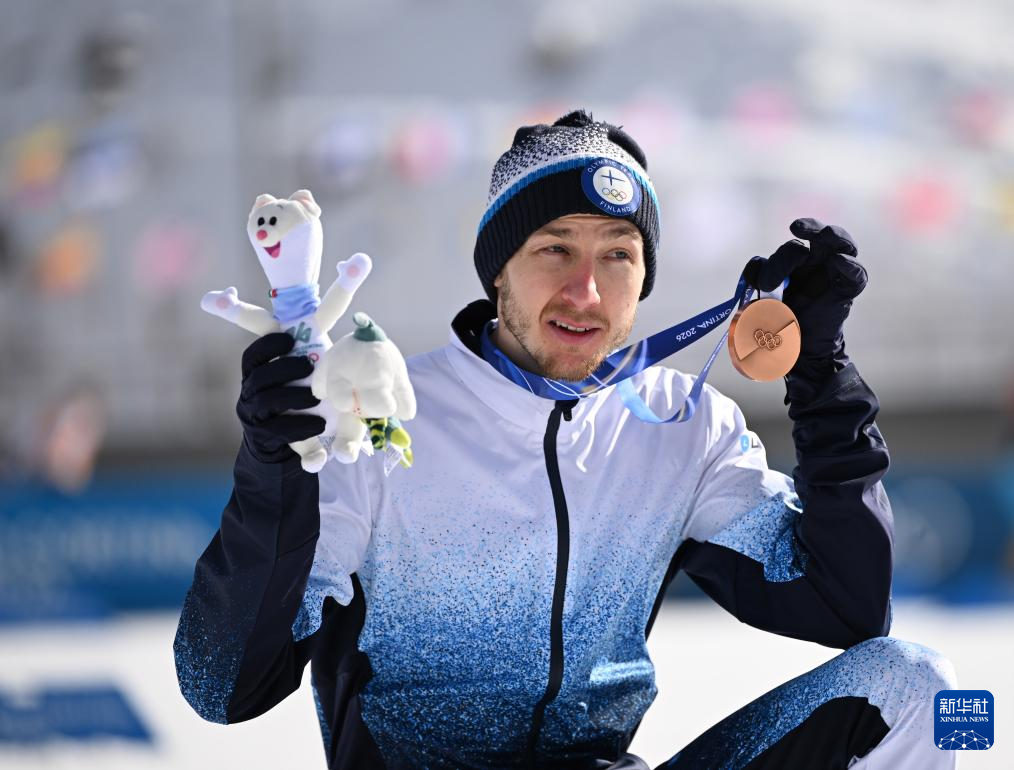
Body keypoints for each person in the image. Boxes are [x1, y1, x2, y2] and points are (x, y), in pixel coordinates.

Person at [174, 110, 958, 769]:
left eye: (617, 255)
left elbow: (846, 607)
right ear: (498, 272)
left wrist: (821, 376)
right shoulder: (384, 420)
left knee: (933, 694)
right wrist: (274, 471)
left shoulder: (682, 427)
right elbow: (223, 687)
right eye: (555, 249)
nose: (586, 291)